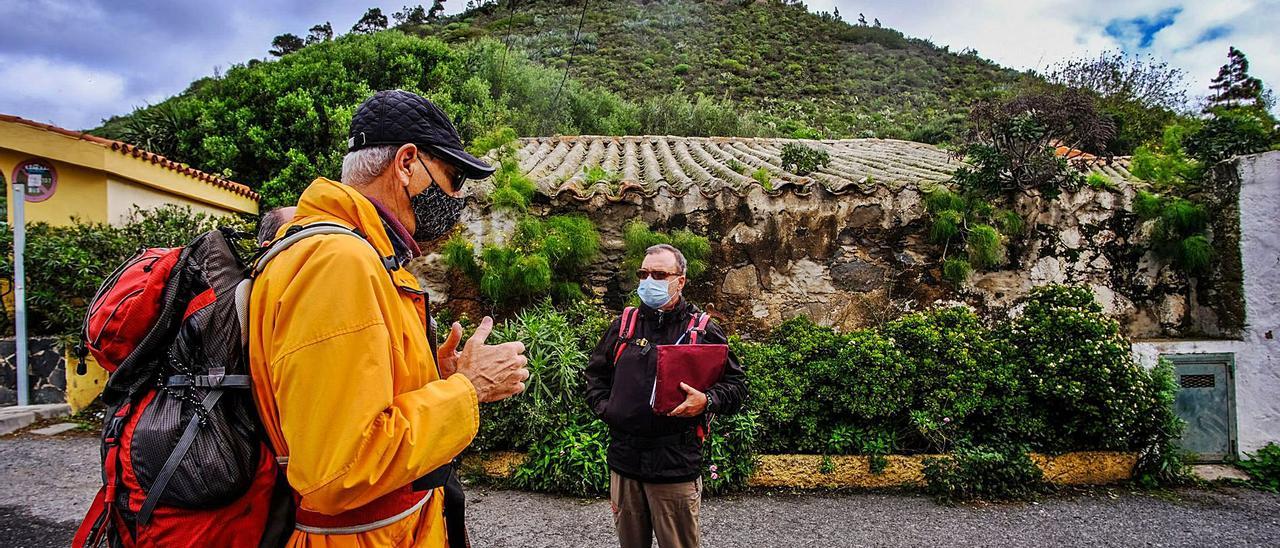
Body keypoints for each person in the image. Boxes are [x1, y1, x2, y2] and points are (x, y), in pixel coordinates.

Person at [248, 89, 529, 547]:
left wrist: (434, 378)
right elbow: (340, 468)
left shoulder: (352, 254)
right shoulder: (339, 262)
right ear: (406, 163)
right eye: (453, 177)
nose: (455, 197)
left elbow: (345, 400)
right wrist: (467, 390)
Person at [584, 244, 748, 548]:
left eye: (659, 274)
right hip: (626, 464)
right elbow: (595, 376)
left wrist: (707, 400)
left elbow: (736, 387)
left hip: (674, 466)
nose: (648, 281)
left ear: (680, 280)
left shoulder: (702, 330)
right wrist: (609, 410)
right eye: (643, 274)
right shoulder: (624, 326)